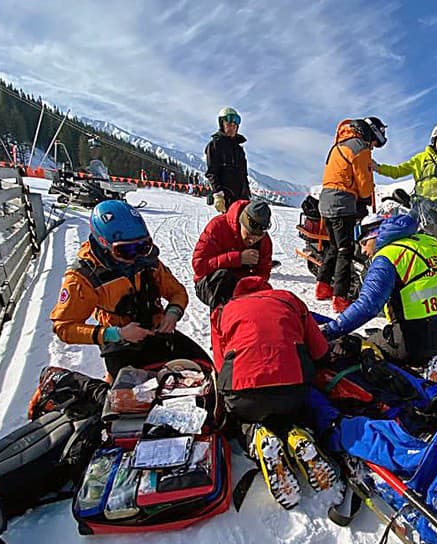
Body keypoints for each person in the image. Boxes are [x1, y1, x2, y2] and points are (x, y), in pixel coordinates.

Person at [211, 276, 339, 510]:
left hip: (244, 393)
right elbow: (319, 350)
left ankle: (256, 437)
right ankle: (298, 435)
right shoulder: (289, 300)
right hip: (292, 391)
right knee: (293, 409)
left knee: (243, 416)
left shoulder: (224, 311)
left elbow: (220, 365)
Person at [50, 200, 205, 380]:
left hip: (156, 331)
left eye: (143, 246)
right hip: (119, 342)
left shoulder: (148, 261)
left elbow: (177, 292)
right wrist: (116, 334)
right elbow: (64, 328)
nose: (137, 256)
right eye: (126, 250)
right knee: (127, 399)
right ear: (104, 244)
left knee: (203, 368)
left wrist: (172, 313)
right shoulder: (84, 277)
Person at [321, 213, 437, 368]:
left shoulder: (387, 256)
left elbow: (368, 306)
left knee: (351, 345)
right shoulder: (429, 242)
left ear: (374, 237)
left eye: (364, 243)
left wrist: (330, 330)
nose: (364, 251)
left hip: (413, 340)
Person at [317, 116, 386, 313]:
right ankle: (340, 298)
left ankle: (322, 287)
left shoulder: (340, 145)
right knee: (345, 250)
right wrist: (365, 196)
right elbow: (364, 186)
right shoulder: (360, 148)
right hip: (343, 203)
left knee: (333, 246)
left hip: (326, 201)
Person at [192, 198, 274, 308]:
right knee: (223, 279)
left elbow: (264, 272)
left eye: (256, 238)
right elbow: (199, 266)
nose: (251, 241)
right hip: (209, 283)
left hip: (241, 285)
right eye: (248, 235)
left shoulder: (264, 242)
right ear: (241, 224)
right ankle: (221, 322)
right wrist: (238, 258)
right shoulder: (217, 226)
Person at [375, 123, 437, 201]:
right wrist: (378, 168)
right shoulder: (420, 158)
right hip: (420, 204)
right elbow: (398, 171)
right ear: (434, 139)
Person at [205, 106, 251, 214]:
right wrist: (218, 195)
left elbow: (244, 175)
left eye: (235, 125)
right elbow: (212, 173)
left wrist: (248, 195)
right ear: (222, 124)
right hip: (227, 198)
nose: (233, 127)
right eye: (229, 124)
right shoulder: (215, 145)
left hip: (242, 198)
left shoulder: (239, 149)